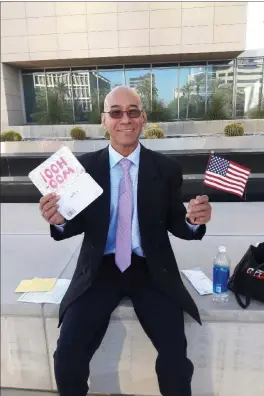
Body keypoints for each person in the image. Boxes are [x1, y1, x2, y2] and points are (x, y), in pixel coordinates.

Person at [39, 85, 212, 396]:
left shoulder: (166, 169)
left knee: (175, 356)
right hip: (100, 268)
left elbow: (177, 222)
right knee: (67, 354)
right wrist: (60, 221)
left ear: (143, 118)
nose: (125, 119)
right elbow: (74, 220)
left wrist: (192, 220)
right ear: (104, 121)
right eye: (116, 112)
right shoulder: (84, 168)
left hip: (150, 268)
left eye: (133, 111)